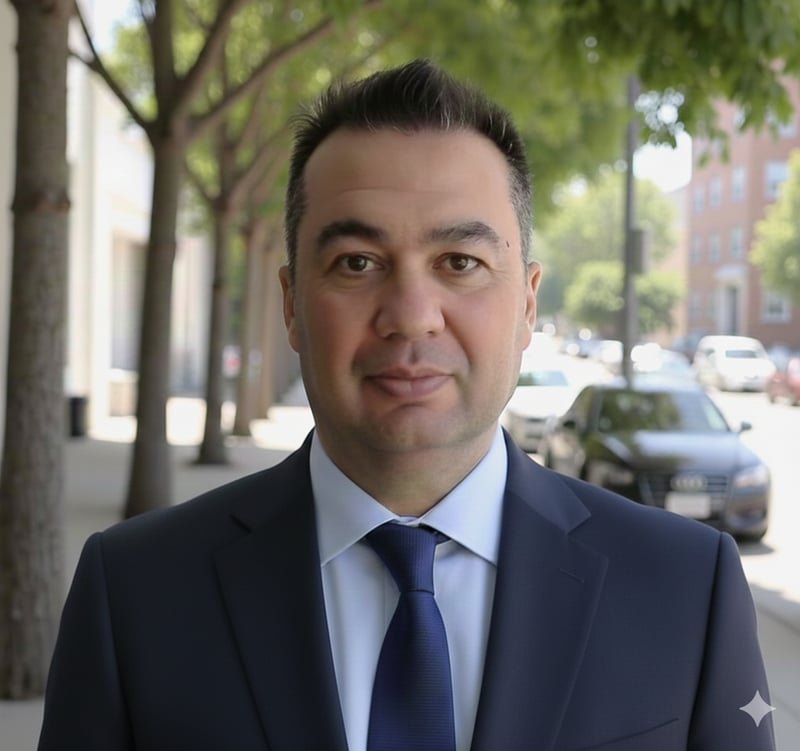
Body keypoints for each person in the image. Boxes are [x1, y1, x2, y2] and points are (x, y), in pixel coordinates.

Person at [39, 59, 775, 751]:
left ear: (526, 303)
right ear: (292, 304)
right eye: (357, 262)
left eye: (461, 262)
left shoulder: (685, 587)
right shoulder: (134, 591)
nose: (412, 314)